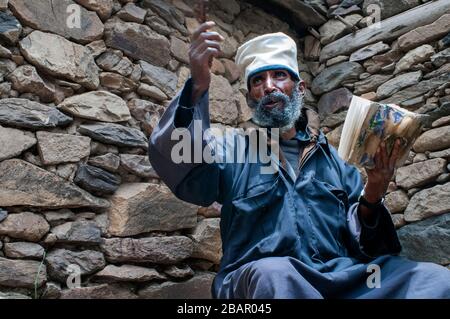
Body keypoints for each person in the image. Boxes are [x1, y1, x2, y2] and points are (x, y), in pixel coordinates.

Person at [148, 21, 450, 299]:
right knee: (276, 277)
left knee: (433, 280)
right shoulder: (233, 150)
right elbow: (180, 162)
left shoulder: (336, 162)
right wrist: (198, 86)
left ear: (300, 88)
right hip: (260, 278)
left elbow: (369, 247)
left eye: (279, 75)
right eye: (258, 81)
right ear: (252, 98)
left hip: (342, 277)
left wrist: (374, 191)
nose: (269, 86)